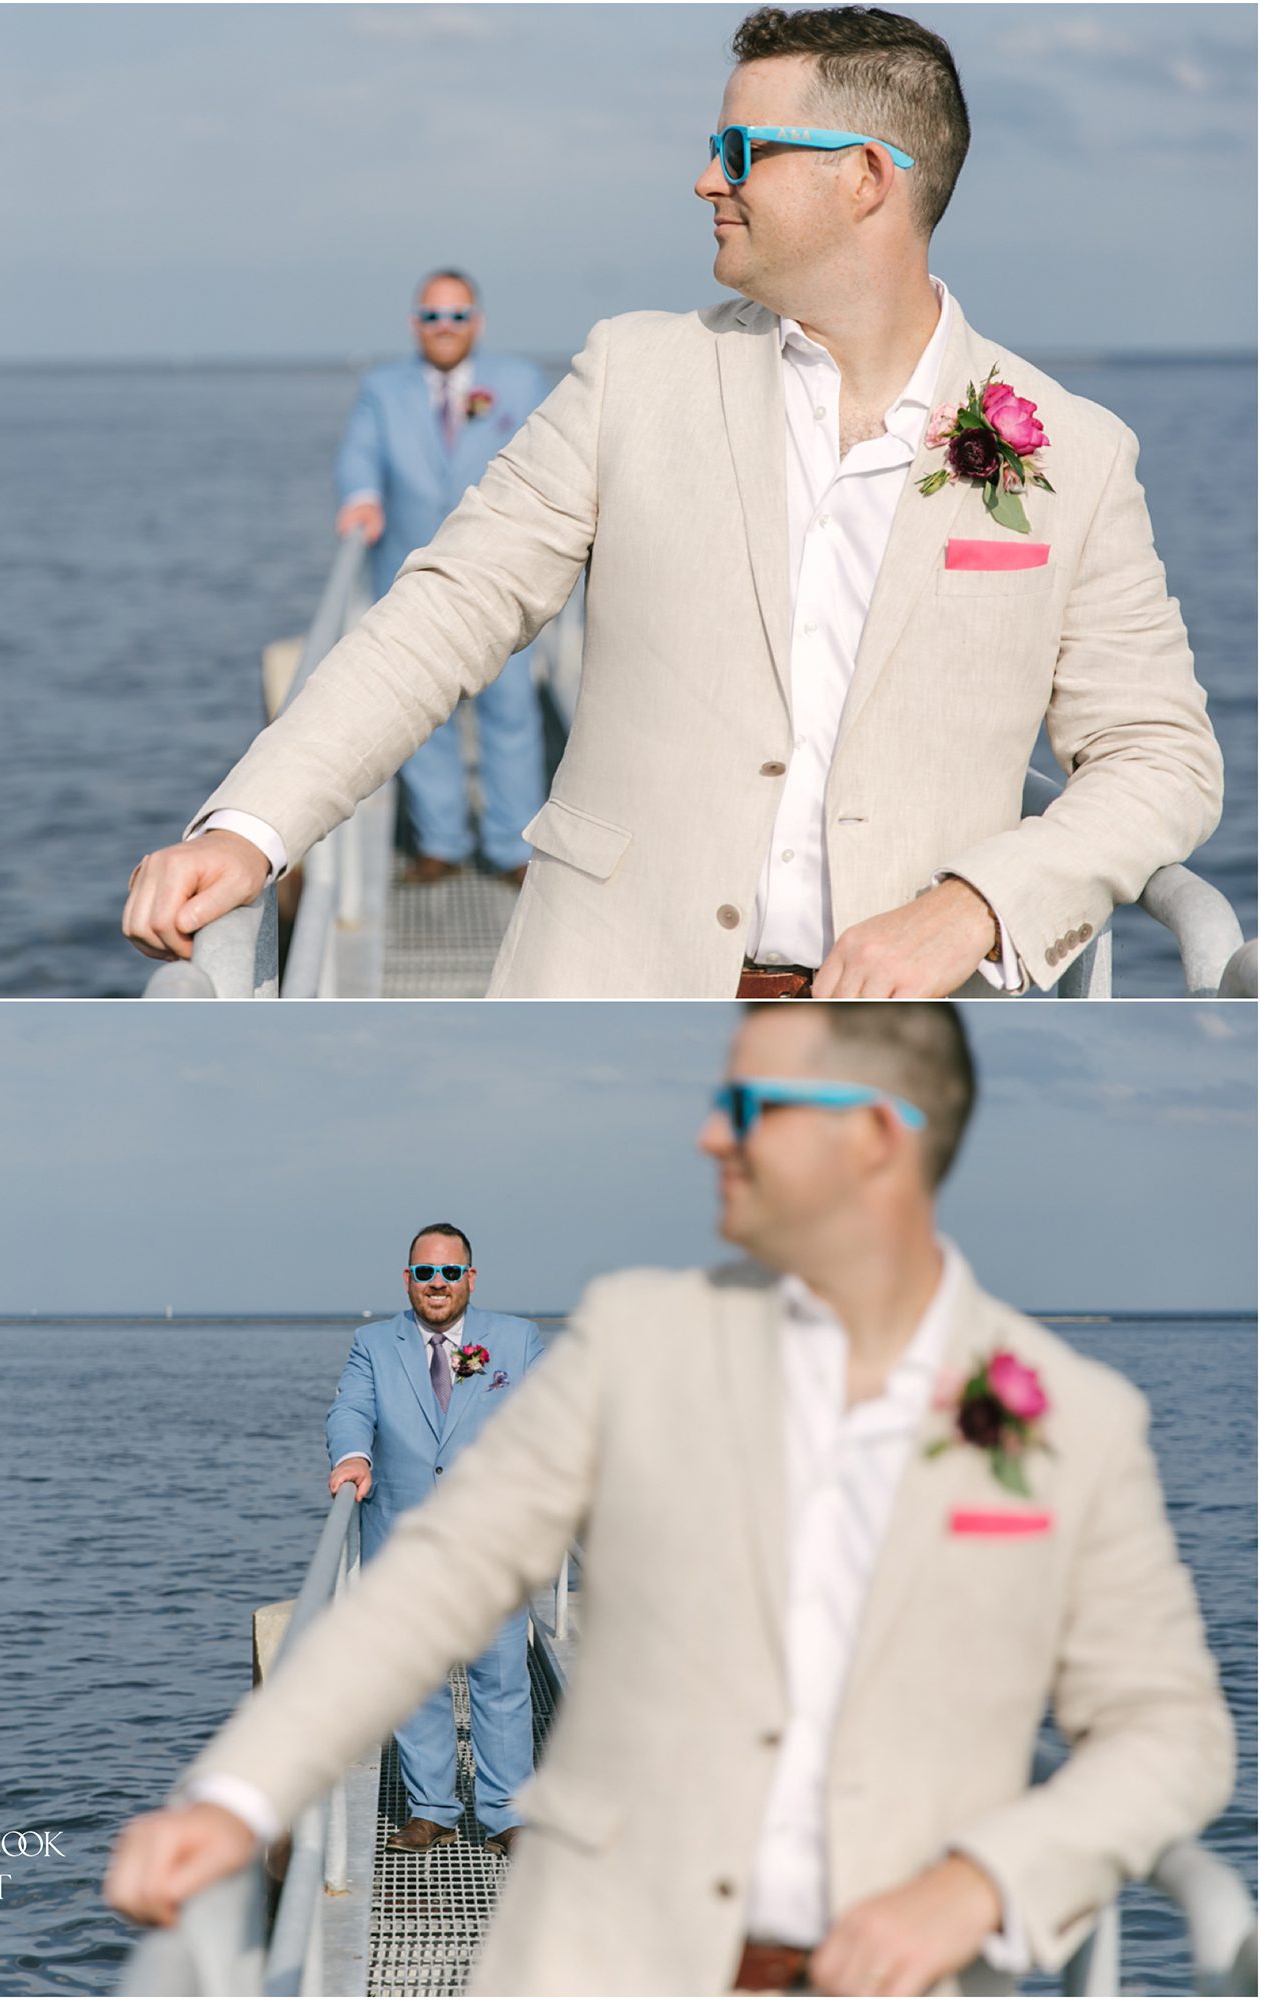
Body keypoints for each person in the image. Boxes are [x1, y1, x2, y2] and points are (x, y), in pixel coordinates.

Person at [104, 1003, 1233, 1997]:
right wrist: (238, 1794)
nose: (707, 1133)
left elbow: (1169, 1733)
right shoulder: (632, 1341)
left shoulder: (1073, 1420)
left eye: (749, 1103)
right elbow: (432, 1579)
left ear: (876, 1136)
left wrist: (986, 1880)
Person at [123, 5, 1222, 1001]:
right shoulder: (631, 377)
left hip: (916, 1046)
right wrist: (254, 829)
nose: (706, 179)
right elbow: (447, 607)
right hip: (606, 1002)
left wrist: (976, 906)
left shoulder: (1073, 451)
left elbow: (1159, 758)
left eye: (740, 149)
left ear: (868, 179)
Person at [189, 1226, 543, 1858]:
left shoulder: (516, 1340)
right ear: (407, 1279)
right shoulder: (373, 1344)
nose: (439, 1285)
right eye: (426, 1274)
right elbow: (349, 1410)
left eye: (451, 1273)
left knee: (501, 1682)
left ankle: (505, 1812)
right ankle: (433, 1809)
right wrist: (352, 1456)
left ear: (472, 1277)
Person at [329, 272, 551, 886]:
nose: (444, 328)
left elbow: (550, 457)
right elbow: (358, 454)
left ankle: (511, 848)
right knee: (423, 717)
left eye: (457, 316)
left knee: (510, 715)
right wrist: (362, 497)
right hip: (410, 578)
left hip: (500, 577)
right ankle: (441, 844)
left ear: (477, 321)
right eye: (432, 316)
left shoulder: (519, 382)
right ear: (414, 324)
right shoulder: (382, 388)